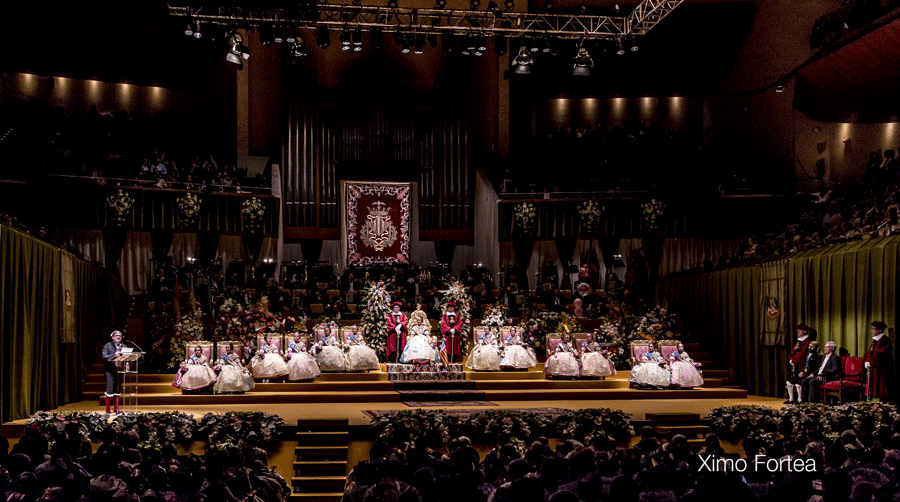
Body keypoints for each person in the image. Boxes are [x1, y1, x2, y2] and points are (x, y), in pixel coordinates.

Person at [785, 324, 815, 404]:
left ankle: (800, 399)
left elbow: (802, 353)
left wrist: (794, 360)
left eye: (800, 330)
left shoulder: (807, 341)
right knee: (790, 381)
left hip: (800, 363)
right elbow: (793, 350)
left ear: (805, 332)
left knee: (799, 381)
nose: (798, 332)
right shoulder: (798, 340)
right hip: (794, 363)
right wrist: (791, 358)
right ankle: (791, 399)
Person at [864, 321, 893, 402]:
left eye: (874, 329)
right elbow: (869, 352)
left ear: (879, 330)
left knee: (880, 388)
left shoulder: (885, 340)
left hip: (880, 368)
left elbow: (881, 354)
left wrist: (871, 362)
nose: (872, 331)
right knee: (872, 388)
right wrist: (866, 361)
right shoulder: (875, 340)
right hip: (873, 367)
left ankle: (881, 404)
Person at [101, 330, 125, 414]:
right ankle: (108, 410)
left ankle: (116, 409)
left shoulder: (123, 346)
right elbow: (104, 357)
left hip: (119, 370)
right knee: (110, 390)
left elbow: (127, 356)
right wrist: (114, 355)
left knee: (117, 390)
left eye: (120, 336)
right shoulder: (108, 345)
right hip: (110, 370)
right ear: (112, 337)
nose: (118, 337)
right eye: (117, 335)